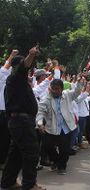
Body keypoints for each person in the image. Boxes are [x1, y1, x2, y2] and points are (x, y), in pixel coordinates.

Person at [1, 46, 46, 190]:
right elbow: (23, 66)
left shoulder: (18, 82)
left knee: (16, 154)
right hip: (22, 122)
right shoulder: (15, 77)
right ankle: (29, 184)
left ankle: (8, 182)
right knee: (31, 153)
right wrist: (31, 54)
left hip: (19, 122)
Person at [36, 77, 84, 175]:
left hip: (65, 128)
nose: (54, 91)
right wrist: (40, 124)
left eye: (57, 89)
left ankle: (62, 167)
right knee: (46, 146)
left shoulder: (67, 95)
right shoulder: (46, 99)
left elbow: (77, 92)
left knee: (64, 149)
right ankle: (56, 160)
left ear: (62, 89)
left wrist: (79, 82)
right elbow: (40, 112)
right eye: (53, 88)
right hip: (51, 128)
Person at [0, 49, 18, 170]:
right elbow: (4, 70)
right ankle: (2, 161)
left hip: (7, 112)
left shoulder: (9, 82)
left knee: (6, 138)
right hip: (3, 112)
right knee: (4, 138)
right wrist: (11, 56)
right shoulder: (3, 79)